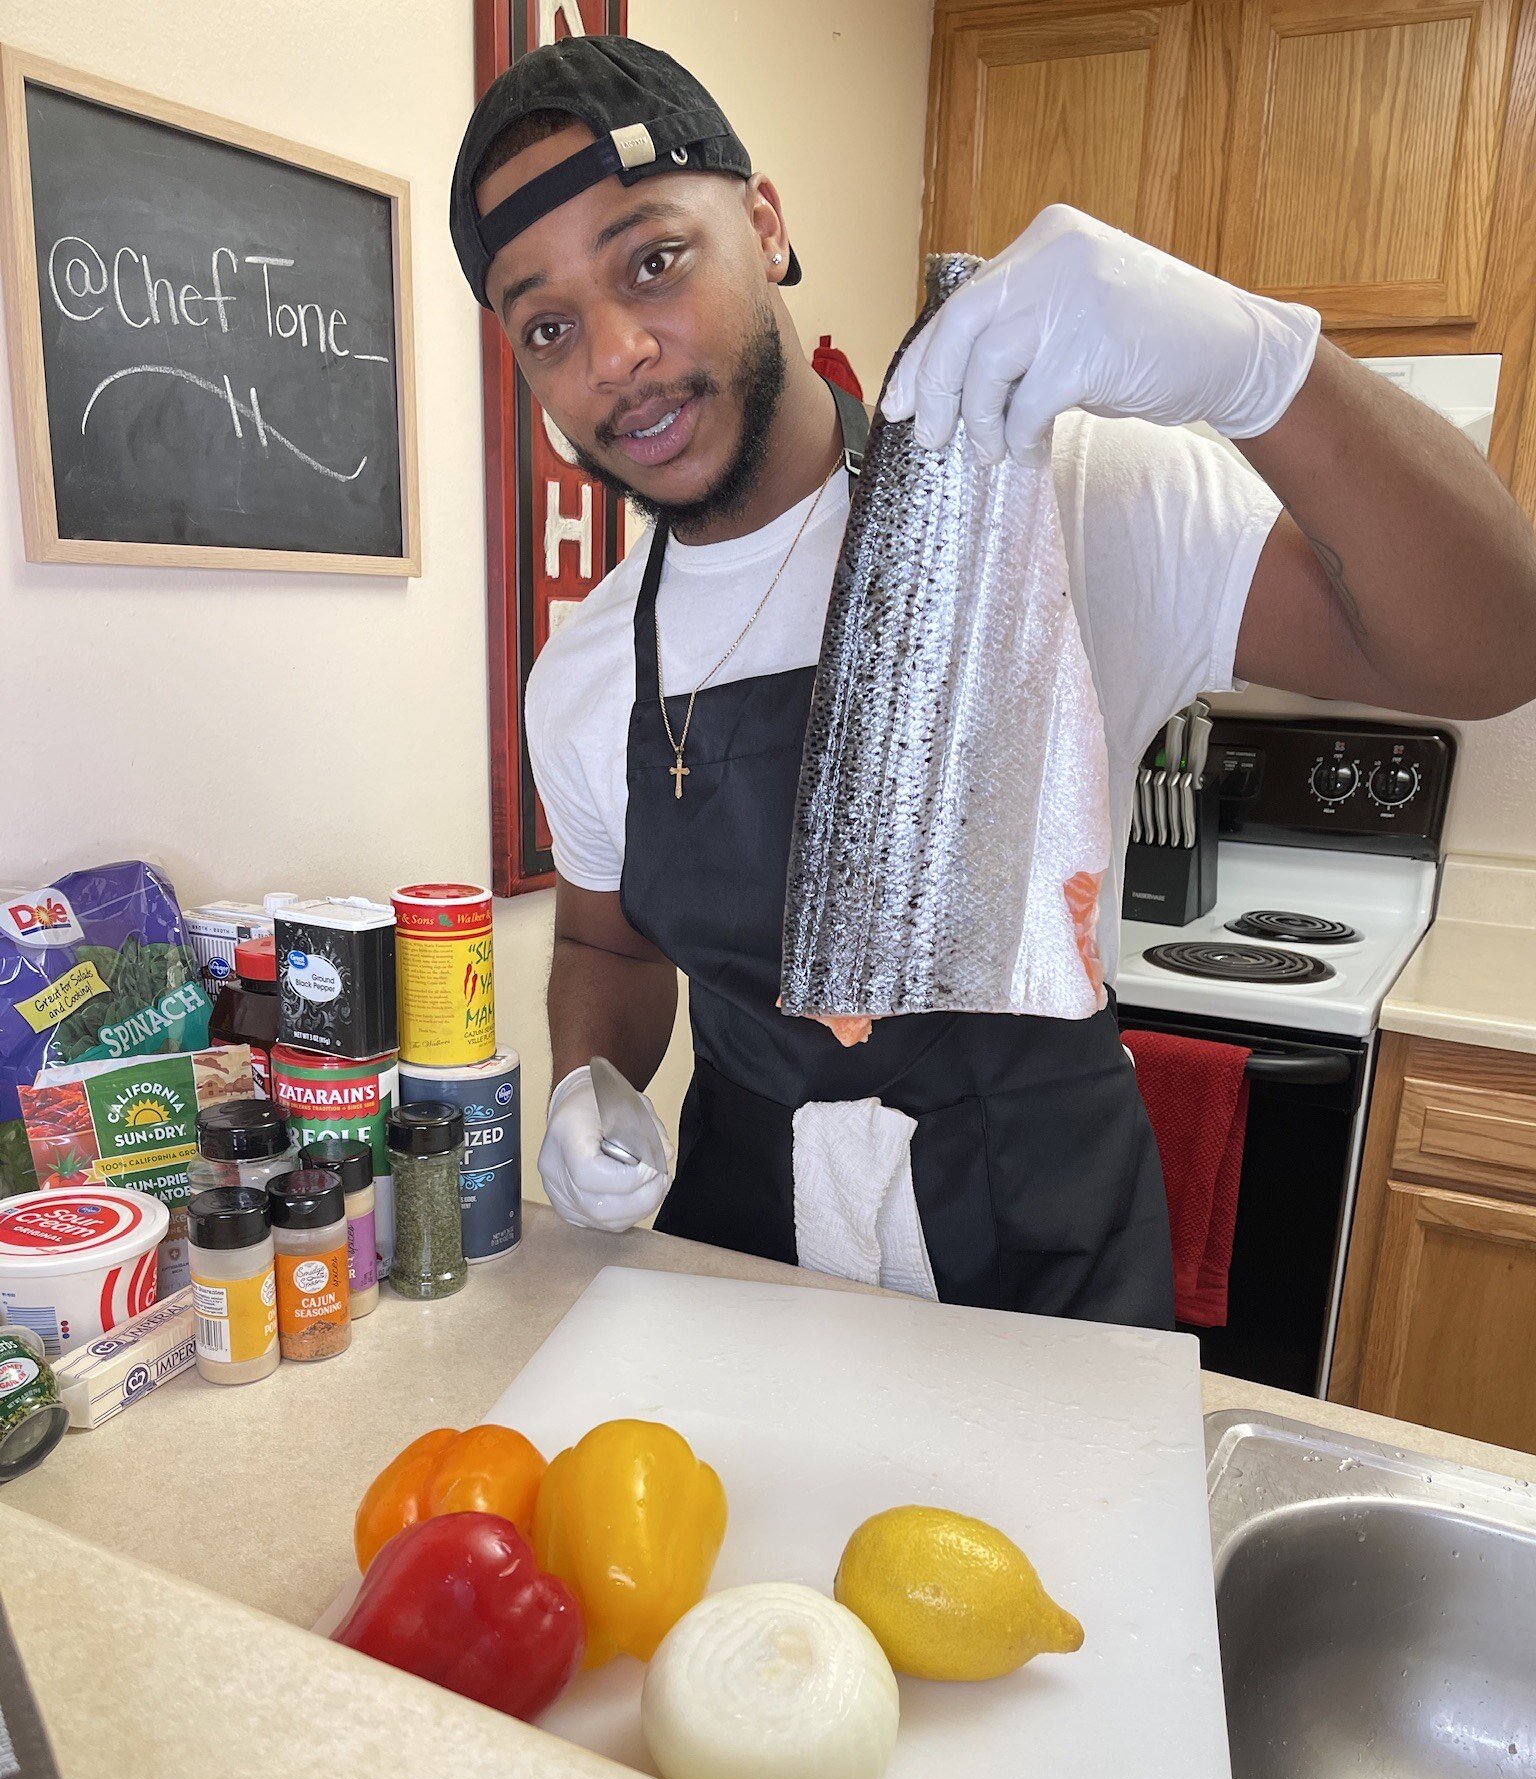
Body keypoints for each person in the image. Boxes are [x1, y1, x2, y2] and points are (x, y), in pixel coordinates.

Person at [449, 35, 1536, 1326]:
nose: (616, 352)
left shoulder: (1053, 504)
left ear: (765, 222)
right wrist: (590, 1080)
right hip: (743, 1276)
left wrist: (1262, 368)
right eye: (550, 326)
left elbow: (1494, 644)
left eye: (654, 259)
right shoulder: (582, 672)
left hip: (1045, 1277)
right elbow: (602, 940)